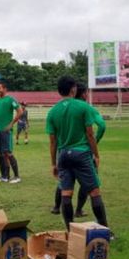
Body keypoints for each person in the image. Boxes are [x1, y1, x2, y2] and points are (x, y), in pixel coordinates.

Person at [46, 76, 111, 235]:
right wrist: (96, 154)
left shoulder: (52, 112)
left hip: (63, 155)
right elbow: (90, 134)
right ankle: (105, 231)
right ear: (73, 89)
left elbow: (53, 142)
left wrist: (53, 164)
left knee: (66, 193)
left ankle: (71, 232)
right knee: (94, 192)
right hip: (81, 154)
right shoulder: (83, 107)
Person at [0, 81, 23, 183]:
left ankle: (17, 176)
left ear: (5, 89)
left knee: (8, 153)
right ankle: (5, 176)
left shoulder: (11, 99)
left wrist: (11, 124)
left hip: (6, 131)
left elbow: (20, 111)